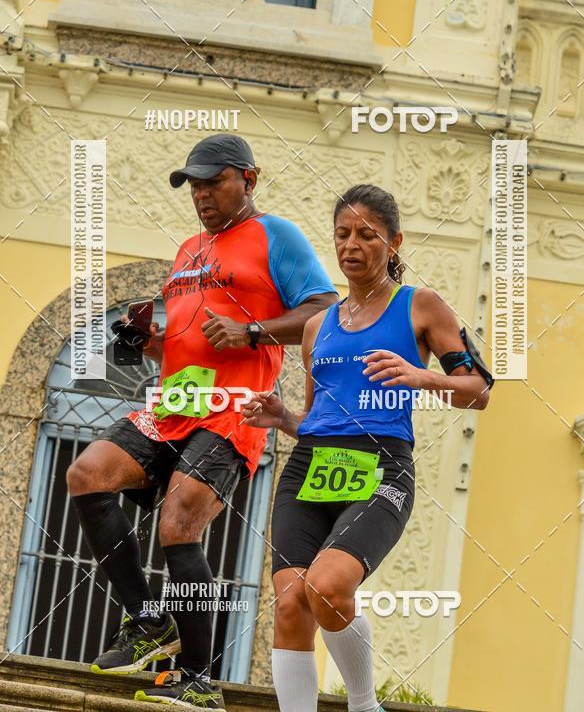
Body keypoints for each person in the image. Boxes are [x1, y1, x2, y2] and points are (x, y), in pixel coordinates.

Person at [66, 134, 337, 711]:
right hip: (173, 406)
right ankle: (147, 620)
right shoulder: (190, 249)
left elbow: (324, 311)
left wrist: (253, 332)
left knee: (178, 521)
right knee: (87, 474)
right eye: (194, 184)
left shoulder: (276, 235)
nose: (201, 194)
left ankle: (199, 679)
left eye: (214, 181)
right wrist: (151, 342)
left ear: (249, 179)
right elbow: (192, 341)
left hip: (235, 407)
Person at [243, 183, 492, 712]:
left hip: (381, 467)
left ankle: (362, 705)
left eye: (367, 234)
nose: (351, 244)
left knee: (327, 586)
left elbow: (478, 391)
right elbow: (315, 419)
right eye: (342, 234)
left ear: (394, 242)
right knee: (289, 604)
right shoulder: (317, 325)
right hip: (310, 468)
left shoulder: (421, 305)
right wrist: (282, 417)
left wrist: (420, 376)